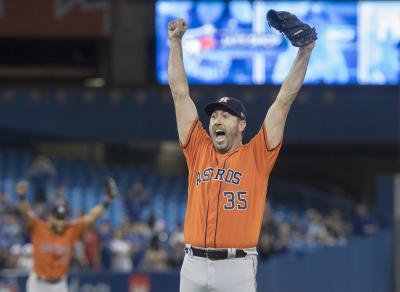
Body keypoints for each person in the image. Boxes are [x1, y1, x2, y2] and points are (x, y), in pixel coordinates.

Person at [167, 16, 315, 291]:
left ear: (242, 124)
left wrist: (305, 51)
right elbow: (179, 93)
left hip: (236, 268)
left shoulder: (258, 154)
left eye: (226, 115)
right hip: (192, 263)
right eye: (214, 116)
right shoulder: (198, 148)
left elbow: (284, 100)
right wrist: (175, 42)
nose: (217, 121)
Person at [15, 177, 119, 292]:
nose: (60, 222)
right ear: (50, 216)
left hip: (60, 284)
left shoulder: (71, 229)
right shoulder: (40, 227)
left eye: (63, 218)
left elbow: (91, 217)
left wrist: (107, 201)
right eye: (57, 218)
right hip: (38, 285)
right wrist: (21, 197)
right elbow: (26, 213)